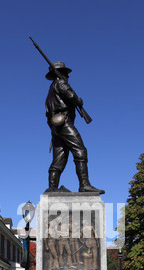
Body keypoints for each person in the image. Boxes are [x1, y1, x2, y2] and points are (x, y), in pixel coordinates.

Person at [45, 61, 104, 194]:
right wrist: (79, 101)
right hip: (65, 122)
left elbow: (47, 113)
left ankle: (52, 188)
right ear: (62, 73)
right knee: (80, 151)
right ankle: (85, 185)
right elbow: (71, 96)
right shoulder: (61, 83)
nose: (68, 77)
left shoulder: (51, 89)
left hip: (56, 126)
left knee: (59, 158)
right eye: (66, 73)